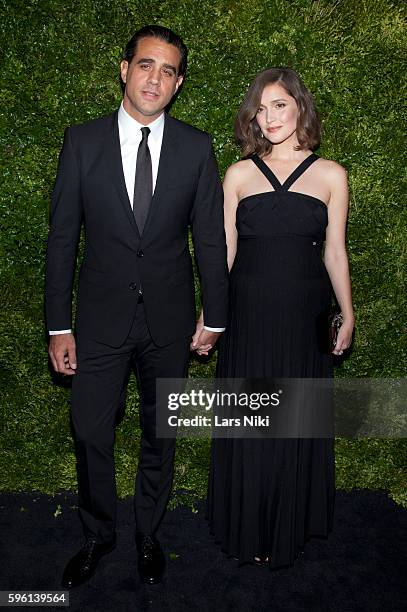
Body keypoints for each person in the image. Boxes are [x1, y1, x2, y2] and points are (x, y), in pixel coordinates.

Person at [45, 25, 228, 588]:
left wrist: (215, 315)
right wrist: (59, 325)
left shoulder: (197, 148)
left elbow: (211, 239)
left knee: (161, 434)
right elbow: (61, 238)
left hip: (170, 323)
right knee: (91, 432)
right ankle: (100, 534)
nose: (156, 78)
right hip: (98, 322)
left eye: (168, 70)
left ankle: (149, 530)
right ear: (125, 69)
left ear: (178, 84)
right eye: (146, 65)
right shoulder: (82, 141)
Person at [206, 67, 354, 568]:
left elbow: (335, 251)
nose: (270, 117)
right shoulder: (238, 174)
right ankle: (249, 525)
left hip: (304, 318)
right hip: (248, 315)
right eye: (262, 108)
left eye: (280, 105)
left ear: (300, 109)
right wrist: (211, 311)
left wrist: (348, 313)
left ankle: (292, 523)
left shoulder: (332, 174)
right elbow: (224, 249)